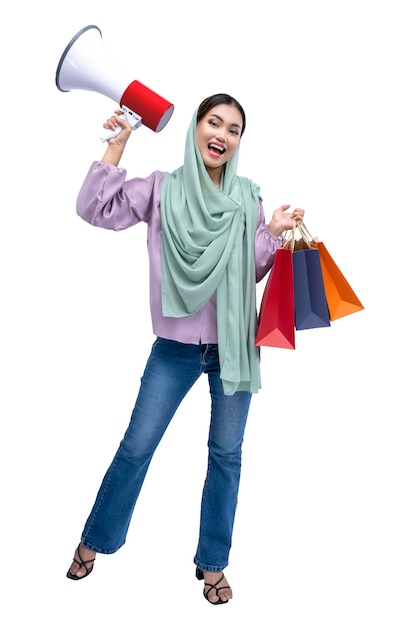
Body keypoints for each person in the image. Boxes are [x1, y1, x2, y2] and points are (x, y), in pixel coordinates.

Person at [66, 93, 304, 604]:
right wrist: (117, 145)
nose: (222, 134)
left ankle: (212, 564)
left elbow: (254, 270)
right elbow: (94, 209)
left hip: (234, 350)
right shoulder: (161, 188)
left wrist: (275, 234)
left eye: (234, 129)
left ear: (240, 141)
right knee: (136, 447)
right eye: (213, 122)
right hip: (173, 349)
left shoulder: (247, 196)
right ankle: (96, 539)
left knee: (226, 456)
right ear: (195, 128)